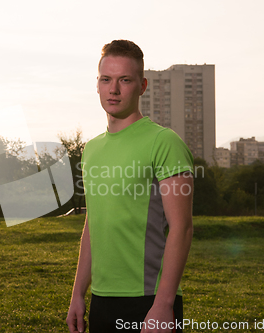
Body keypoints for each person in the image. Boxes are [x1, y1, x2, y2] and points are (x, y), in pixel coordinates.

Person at [66, 40, 194, 333]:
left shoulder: (164, 142)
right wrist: (77, 294)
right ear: (97, 84)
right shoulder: (91, 149)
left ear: (142, 85)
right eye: (106, 79)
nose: (114, 89)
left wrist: (163, 305)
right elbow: (92, 224)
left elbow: (182, 228)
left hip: (148, 301)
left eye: (124, 80)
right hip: (102, 300)